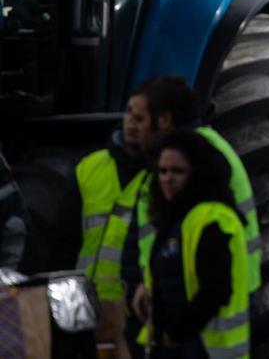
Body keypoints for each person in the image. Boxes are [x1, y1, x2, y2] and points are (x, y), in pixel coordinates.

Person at [124, 77, 262, 346]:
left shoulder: (201, 157)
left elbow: (209, 271)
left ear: (163, 120)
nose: (133, 128)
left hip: (205, 298)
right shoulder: (184, 155)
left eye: (140, 120)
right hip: (187, 292)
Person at [133, 129, 249, 359]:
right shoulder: (174, 219)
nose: (168, 178)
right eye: (163, 171)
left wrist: (174, 335)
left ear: (198, 173)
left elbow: (215, 291)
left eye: (178, 171)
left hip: (203, 349)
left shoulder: (213, 218)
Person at [74, 80, 160, 357]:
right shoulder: (90, 167)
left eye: (140, 118)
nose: (132, 124)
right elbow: (64, 241)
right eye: (128, 115)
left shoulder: (166, 175)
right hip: (86, 309)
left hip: (136, 312)